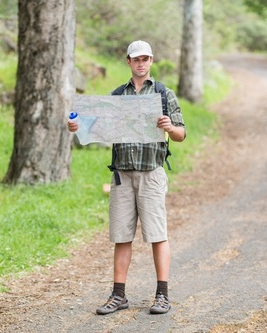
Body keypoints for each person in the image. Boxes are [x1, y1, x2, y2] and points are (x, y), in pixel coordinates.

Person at [67, 40, 186, 315]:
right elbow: (95, 128)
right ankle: (118, 295)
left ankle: (162, 295)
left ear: (151, 61)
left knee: (158, 235)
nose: (141, 63)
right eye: (136, 59)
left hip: (151, 173)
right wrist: (77, 125)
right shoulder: (117, 96)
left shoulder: (164, 94)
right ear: (128, 62)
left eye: (145, 58)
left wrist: (170, 127)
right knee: (122, 236)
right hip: (122, 174)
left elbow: (181, 134)